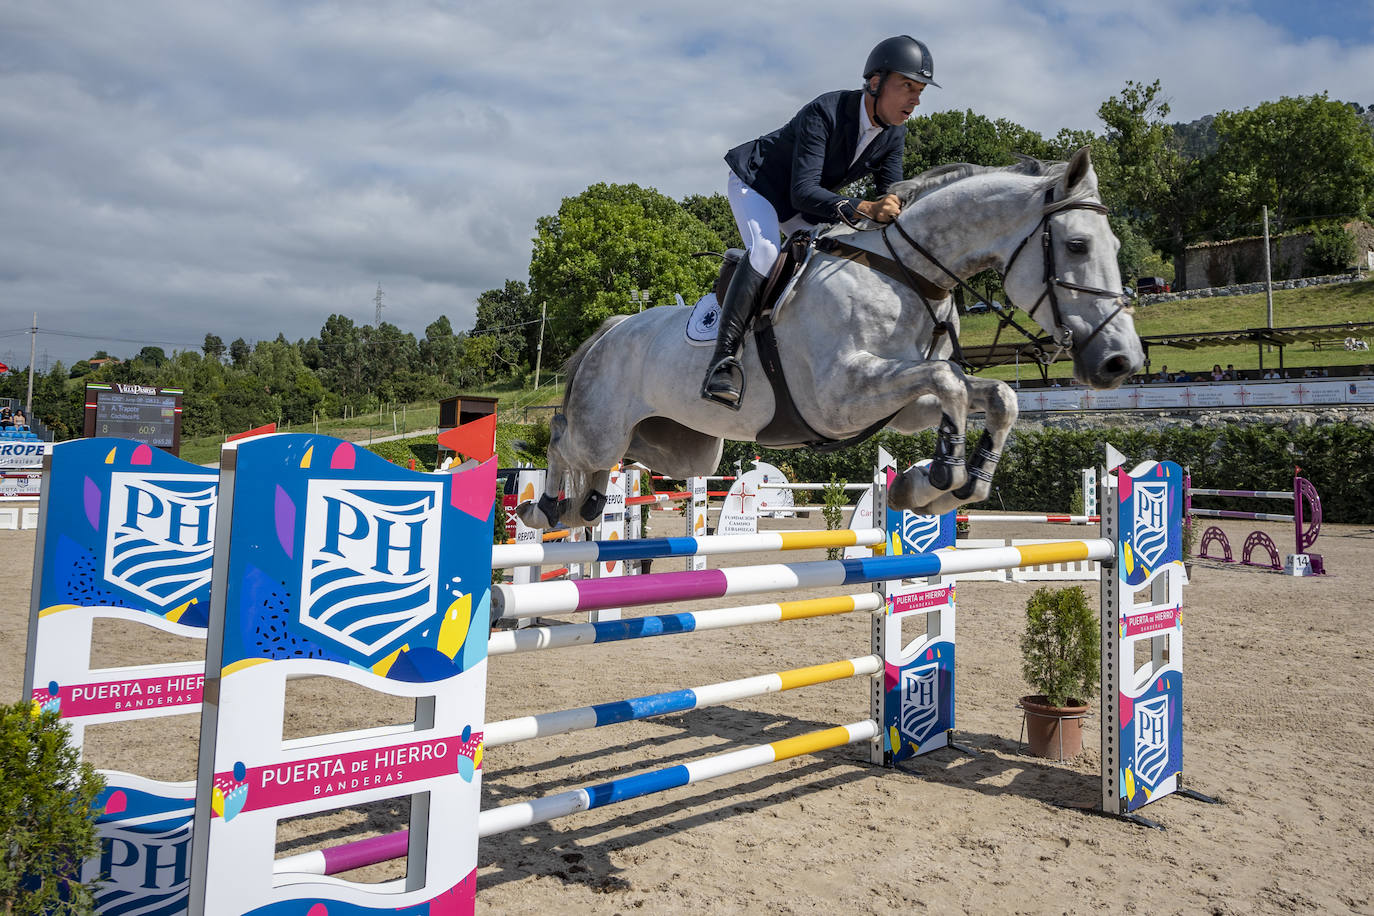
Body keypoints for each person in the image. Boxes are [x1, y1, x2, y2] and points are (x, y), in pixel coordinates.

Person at [702, 35, 938, 408]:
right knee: (765, 252)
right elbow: (803, 193)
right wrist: (866, 208)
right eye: (907, 86)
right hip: (759, 184)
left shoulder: (894, 133)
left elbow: (890, 191)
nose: (916, 99)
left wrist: (901, 209)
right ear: (875, 83)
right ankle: (723, 362)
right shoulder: (826, 111)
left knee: (838, 262)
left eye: (920, 90)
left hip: (806, 201)